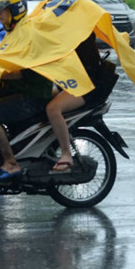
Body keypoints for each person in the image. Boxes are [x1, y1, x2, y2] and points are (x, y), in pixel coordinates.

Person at [0, 0, 54, 182]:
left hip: (33, 94)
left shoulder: (26, 33)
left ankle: (11, 162)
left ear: (16, 10)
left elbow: (21, 73)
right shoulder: (14, 31)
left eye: (2, 10)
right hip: (21, 91)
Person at [45, 33, 104, 171]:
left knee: (53, 109)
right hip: (72, 81)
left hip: (86, 85)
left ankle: (66, 153)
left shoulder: (78, 30)